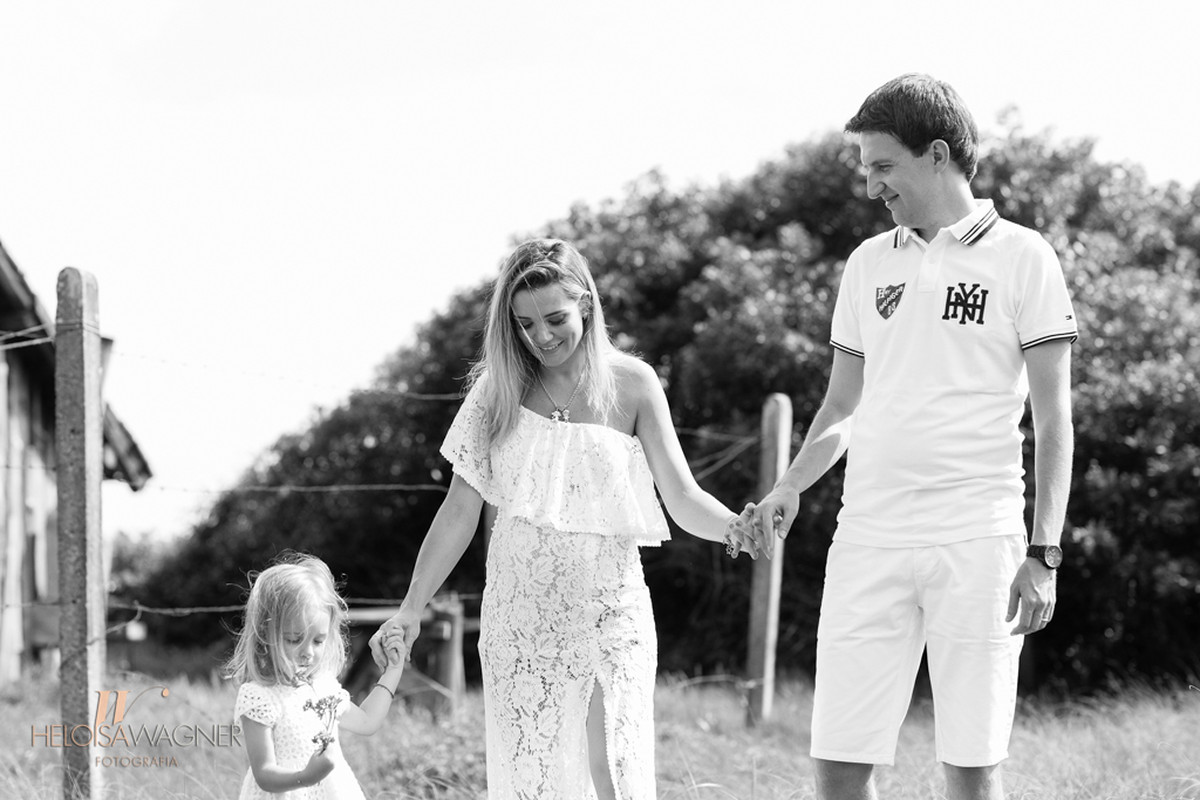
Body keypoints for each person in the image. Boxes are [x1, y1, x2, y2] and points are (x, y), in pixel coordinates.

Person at [752, 74, 1076, 800]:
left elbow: (1054, 421)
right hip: (868, 536)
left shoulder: (1025, 256)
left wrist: (1044, 553)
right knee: (839, 766)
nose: (871, 186)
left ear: (936, 154)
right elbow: (842, 404)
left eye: (882, 166)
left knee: (971, 769)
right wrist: (790, 485)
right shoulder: (867, 263)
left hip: (979, 538)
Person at [368, 238, 765, 800]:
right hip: (520, 620)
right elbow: (458, 510)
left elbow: (681, 495)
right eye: (525, 324)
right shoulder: (495, 391)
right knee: (536, 783)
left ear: (586, 304)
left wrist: (733, 526)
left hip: (611, 614)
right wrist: (411, 609)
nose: (542, 337)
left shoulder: (634, 384)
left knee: (613, 771)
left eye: (555, 319)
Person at [226, 552, 406, 799]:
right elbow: (264, 773)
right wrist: (306, 777)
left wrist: (393, 670)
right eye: (294, 639)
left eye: (318, 641)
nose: (308, 652)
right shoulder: (259, 696)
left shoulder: (323, 687)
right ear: (265, 634)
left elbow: (367, 721)